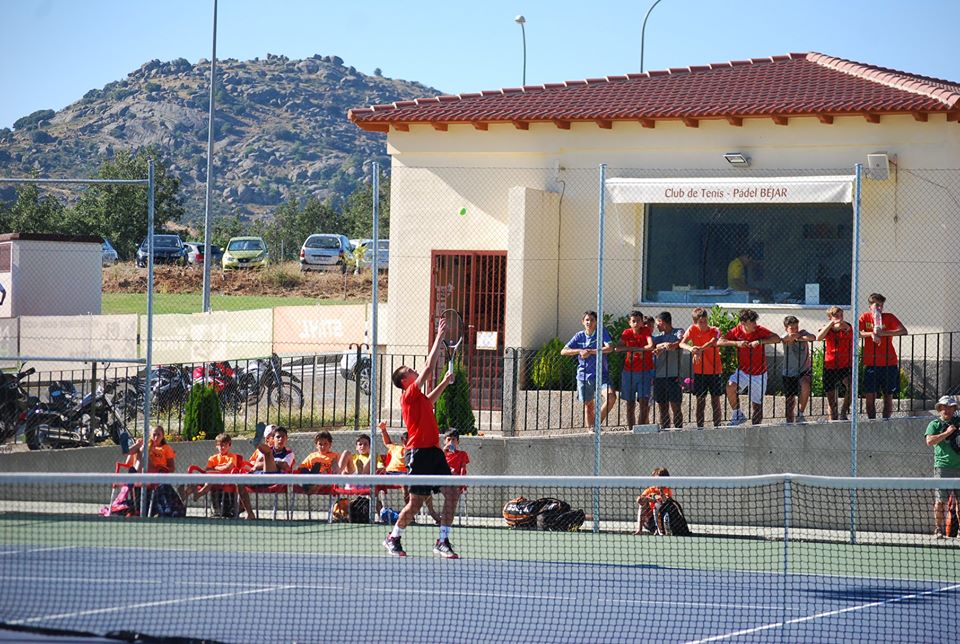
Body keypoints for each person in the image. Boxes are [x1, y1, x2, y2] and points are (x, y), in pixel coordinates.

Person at [383, 317, 461, 559]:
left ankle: (443, 540)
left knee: (452, 493)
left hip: (434, 452)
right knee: (415, 504)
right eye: (410, 372)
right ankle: (393, 537)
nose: (415, 372)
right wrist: (439, 336)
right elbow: (428, 368)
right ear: (405, 381)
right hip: (417, 452)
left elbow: (431, 400)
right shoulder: (407, 395)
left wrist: (445, 383)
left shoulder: (419, 400)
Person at [718, 309, 780, 426]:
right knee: (730, 386)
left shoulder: (760, 330)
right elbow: (720, 341)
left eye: (755, 321)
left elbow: (777, 339)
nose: (755, 324)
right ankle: (738, 414)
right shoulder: (736, 331)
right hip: (743, 371)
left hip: (759, 374)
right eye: (752, 322)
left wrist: (760, 341)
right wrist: (736, 343)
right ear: (743, 323)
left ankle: (755, 428)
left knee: (757, 405)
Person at [560, 311, 616, 428]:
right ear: (583, 322)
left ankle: (596, 424)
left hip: (601, 374)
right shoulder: (579, 336)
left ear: (596, 322)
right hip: (584, 376)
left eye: (592, 320)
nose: (589, 322)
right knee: (588, 405)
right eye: (587, 320)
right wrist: (580, 351)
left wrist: (591, 351)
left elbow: (609, 348)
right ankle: (590, 431)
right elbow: (563, 351)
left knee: (611, 397)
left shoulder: (602, 333)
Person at [858, 293, 907, 419]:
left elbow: (903, 331)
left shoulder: (889, 317)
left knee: (888, 396)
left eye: (881, 305)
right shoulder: (865, 317)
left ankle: (886, 422)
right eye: (876, 305)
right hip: (871, 363)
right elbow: (857, 333)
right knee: (870, 397)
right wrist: (871, 334)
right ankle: (872, 423)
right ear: (870, 306)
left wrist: (882, 333)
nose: (879, 308)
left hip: (888, 363)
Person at [681, 307, 723, 428]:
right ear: (695, 322)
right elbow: (681, 343)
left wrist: (699, 349)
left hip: (715, 371)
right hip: (699, 371)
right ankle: (700, 427)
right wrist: (692, 349)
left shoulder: (715, 330)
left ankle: (717, 426)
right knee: (700, 401)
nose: (704, 324)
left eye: (705, 321)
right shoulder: (692, 329)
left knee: (716, 400)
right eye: (701, 322)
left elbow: (713, 341)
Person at [925, 395, 960, 539]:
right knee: (940, 502)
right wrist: (947, 433)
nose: (948, 410)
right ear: (940, 408)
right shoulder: (934, 424)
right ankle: (938, 529)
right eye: (945, 407)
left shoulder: (958, 423)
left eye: (951, 407)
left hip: (958, 468)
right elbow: (930, 441)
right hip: (942, 468)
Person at [613, 310, 655, 428]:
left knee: (644, 402)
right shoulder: (626, 333)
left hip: (644, 371)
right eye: (633, 321)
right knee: (630, 403)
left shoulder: (646, 331)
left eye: (638, 321)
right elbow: (617, 348)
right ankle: (631, 429)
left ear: (642, 322)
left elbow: (650, 346)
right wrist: (637, 349)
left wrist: (633, 350)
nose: (636, 323)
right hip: (628, 372)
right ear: (629, 323)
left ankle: (640, 429)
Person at [816, 306, 854, 421]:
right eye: (836, 316)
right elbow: (818, 337)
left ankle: (843, 413)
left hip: (845, 365)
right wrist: (830, 325)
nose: (839, 318)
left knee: (851, 387)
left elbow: (849, 329)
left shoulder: (847, 326)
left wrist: (841, 325)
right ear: (830, 317)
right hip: (830, 366)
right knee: (831, 399)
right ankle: (833, 420)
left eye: (841, 315)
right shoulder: (827, 328)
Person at [651, 312, 684, 429]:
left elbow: (681, 342)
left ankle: (678, 431)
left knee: (676, 406)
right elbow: (650, 346)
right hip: (659, 376)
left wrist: (670, 345)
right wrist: (662, 346)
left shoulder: (678, 331)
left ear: (662, 322)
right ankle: (665, 431)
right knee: (662, 408)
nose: (656, 326)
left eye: (657, 324)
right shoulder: (657, 337)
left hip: (673, 375)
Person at [781, 316, 816, 424]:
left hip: (803, 370)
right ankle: (789, 421)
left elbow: (813, 337)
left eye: (796, 327)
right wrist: (795, 337)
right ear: (786, 328)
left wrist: (799, 336)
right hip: (789, 372)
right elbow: (786, 338)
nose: (795, 330)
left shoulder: (803, 332)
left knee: (805, 385)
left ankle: (800, 413)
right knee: (790, 400)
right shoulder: (784, 336)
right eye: (792, 328)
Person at [635, 467, 672, 535]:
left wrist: (656, 496)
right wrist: (647, 499)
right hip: (650, 521)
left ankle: (661, 530)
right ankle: (639, 530)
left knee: (657, 505)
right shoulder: (650, 489)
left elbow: (664, 501)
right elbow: (639, 500)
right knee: (642, 505)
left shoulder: (667, 490)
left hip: (663, 519)